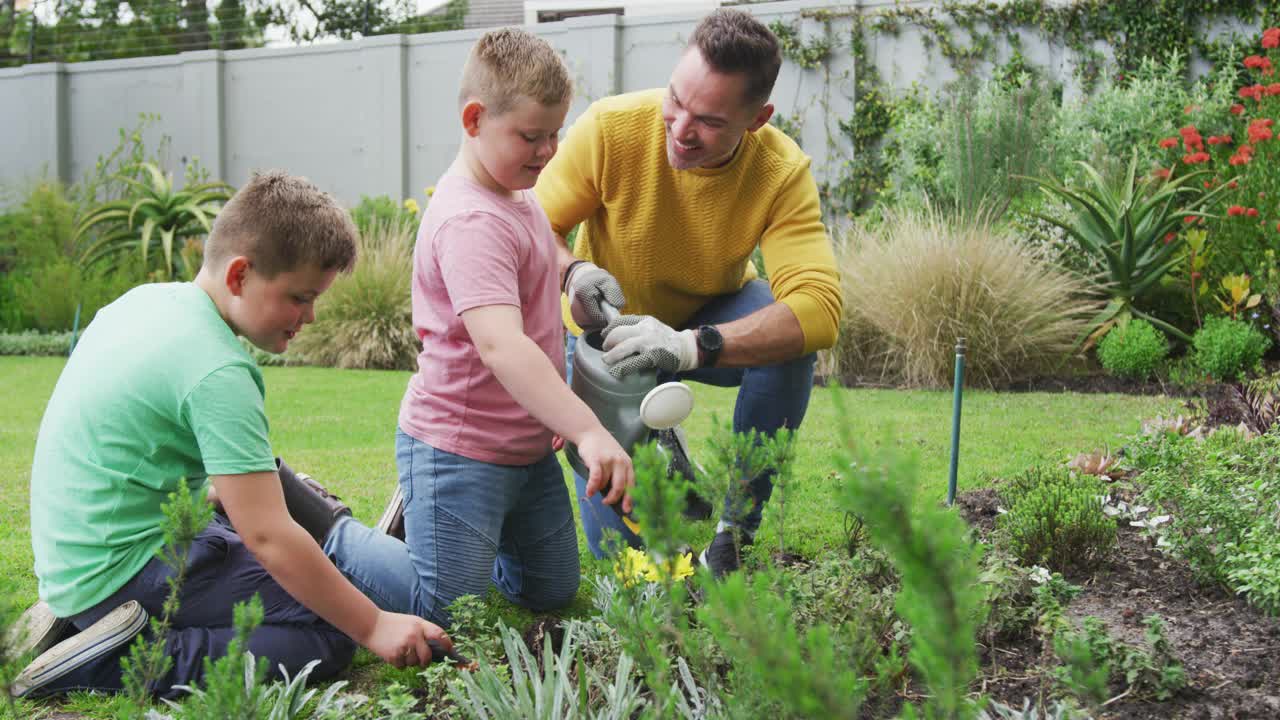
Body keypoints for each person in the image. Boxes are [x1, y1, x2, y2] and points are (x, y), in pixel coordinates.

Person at [11, 171, 453, 700]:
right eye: (299, 297)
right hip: (123, 571)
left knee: (294, 558)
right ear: (240, 274)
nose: (310, 316)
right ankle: (113, 658)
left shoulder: (146, 303)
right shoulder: (217, 370)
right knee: (334, 630)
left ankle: (94, 623)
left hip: (79, 557)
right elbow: (267, 536)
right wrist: (374, 627)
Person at [330, 27, 634, 627]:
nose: (547, 150)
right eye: (530, 135)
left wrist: (574, 279)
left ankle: (458, 538)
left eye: (555, 133)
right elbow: (500, 345)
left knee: (550, 592)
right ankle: (329, 529)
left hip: (524, 451)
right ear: (474, 119)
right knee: (444, 612)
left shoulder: (518, 195)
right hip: (457, 448)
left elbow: (538, 290)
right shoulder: (470, 218)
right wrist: (587, 430)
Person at [535, 8, 843, 575]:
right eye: (675, 101)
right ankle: (661, 450)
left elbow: (819, 308)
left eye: (708, 120)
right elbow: (529, 226)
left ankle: (735, 530)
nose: (679, 130)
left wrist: (687, 347)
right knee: (623, 555)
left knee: (791, 343)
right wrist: (573, 272)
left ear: (757, 119)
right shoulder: (611, 129)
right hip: (609, 331)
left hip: (706, 316)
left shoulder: (780, 171)